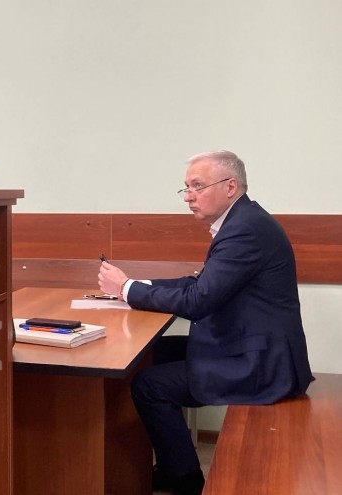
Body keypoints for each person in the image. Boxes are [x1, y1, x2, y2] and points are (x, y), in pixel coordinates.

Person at [98, 150, 312, 495]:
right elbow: (200, 284)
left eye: (197, 186)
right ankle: (169, 464)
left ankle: (184, 480)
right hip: (248, 344)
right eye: (186, 188)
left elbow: (198, 301)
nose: (188, 196)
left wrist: (126, 289)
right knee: (150, 353)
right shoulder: (244, 221)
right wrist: (136, 286)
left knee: (150, 384)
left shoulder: (244, 231)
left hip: (261, 363)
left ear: (230, 186)